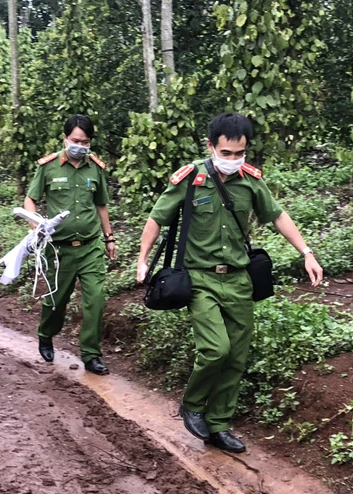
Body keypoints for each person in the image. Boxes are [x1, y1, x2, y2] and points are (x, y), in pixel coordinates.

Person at [136, 113, 324, 453]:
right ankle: (192, 404)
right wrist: (142, 259)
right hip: (200, 279)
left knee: (236, 356)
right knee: (215, 349)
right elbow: (157, 218)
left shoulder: (250, 181)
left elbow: (278, 215)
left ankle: (218, 425)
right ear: (211, 147)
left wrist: (306, 252)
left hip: (238, 280)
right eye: (227, 153)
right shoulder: (190, 178)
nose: (234, 160)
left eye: (240, 154)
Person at [24, 114, 116, 375]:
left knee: (95, 299)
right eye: (75, 140)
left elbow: (101, 205)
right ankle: (46, 333)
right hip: (59, 249)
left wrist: (109, 238)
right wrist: (37, 228)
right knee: (56, 299)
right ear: (65, 138)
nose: (80, 145)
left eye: (85, 141)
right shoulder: (49, 167)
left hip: (90, 247)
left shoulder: (95, 168)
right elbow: (30, 200)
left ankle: (91, 354)